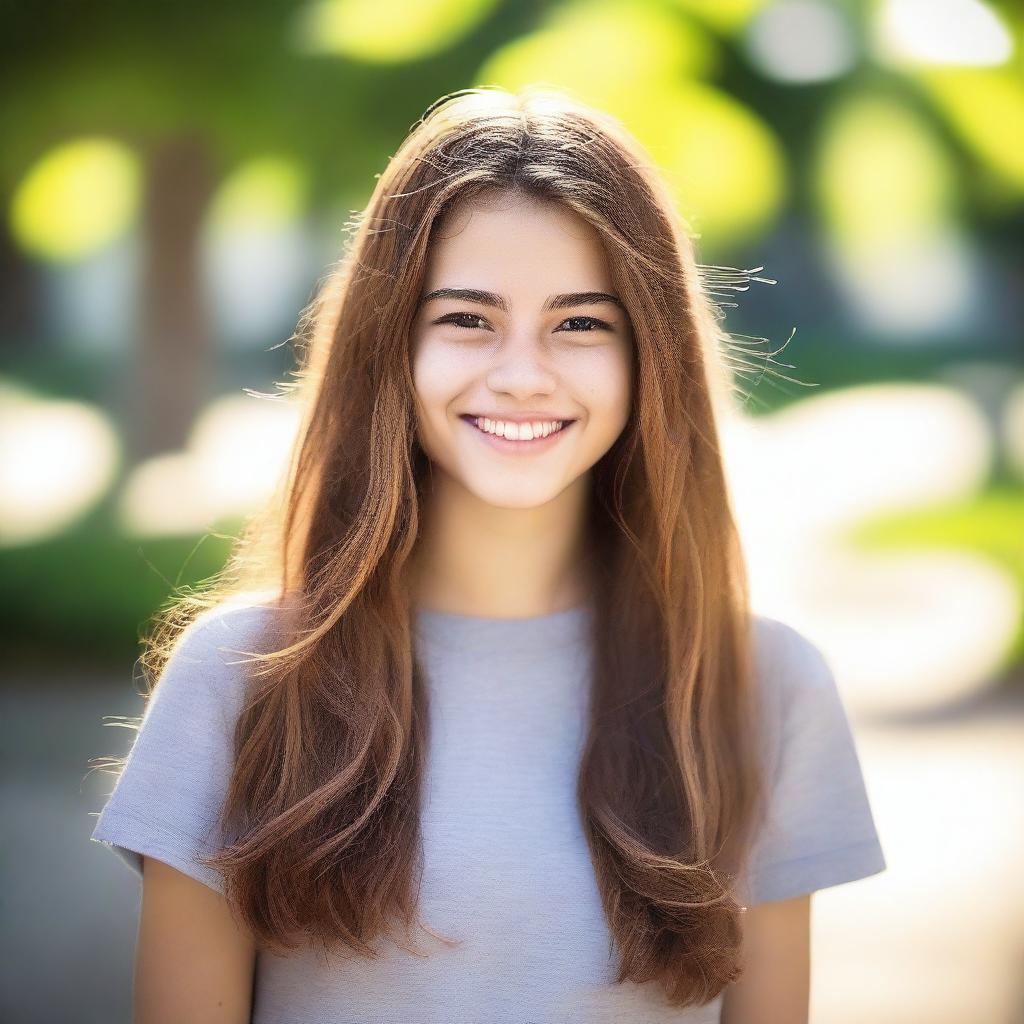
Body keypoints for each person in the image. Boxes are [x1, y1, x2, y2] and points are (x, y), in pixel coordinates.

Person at [89, 85, 886, 1023]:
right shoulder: (243, 678)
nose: (520, 374)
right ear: (391, 346)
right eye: (467, 318)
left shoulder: (764, 685)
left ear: (649, 358)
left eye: (581, 322)